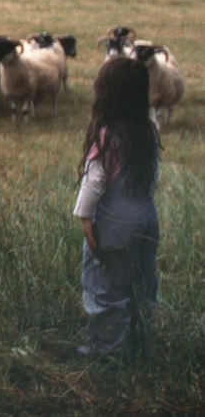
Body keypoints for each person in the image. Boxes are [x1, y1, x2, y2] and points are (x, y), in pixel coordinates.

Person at [72, 57, 161, 360]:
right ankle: (138, 343)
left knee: (106, 287)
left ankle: (106, 352)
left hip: (115, 223)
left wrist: (85, 219)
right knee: (141, 282)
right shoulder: (148, 131)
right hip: (147, 217)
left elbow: (95, 181)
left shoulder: (106, 135)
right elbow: (154, 176)